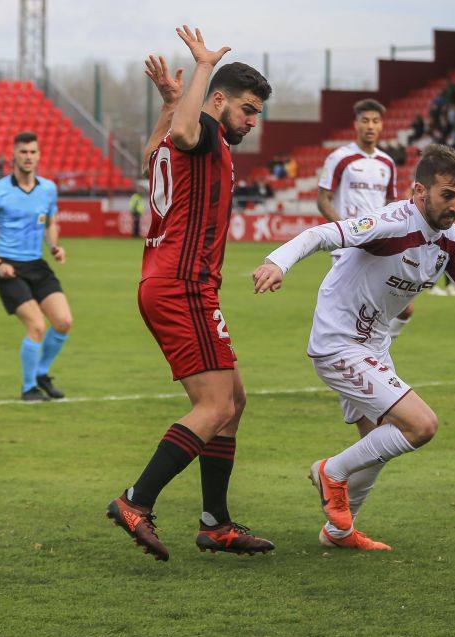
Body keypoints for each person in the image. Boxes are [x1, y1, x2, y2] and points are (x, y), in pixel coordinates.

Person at [252, 144, 455, 550]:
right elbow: (323, 233)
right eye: (447, 194)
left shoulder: (450, 240)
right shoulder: (391, 222)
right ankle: (331, 472)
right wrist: (278, 262)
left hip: (373, 345)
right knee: (421, 425)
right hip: (338, 342)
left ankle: (338, 533)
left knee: (376, 446)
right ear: (419, 191)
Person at [105, 26, 275, 562]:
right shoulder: (201, 129)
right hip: (183, 285)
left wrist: (169, 101)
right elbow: (180, 136)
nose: (252, 121)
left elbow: (155, 150)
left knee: (234, 402)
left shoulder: (194, 136)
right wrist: (200, 70)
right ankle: (136, 501)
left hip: (172, 282)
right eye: (247, 109)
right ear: (217, 101)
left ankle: (215, 522)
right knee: (215, 403)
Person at [0, 132, 72, 402]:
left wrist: (54, 245)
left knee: (63, 321)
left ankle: (41, 373)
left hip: (37, 264)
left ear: (39, 156)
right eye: (23, 152)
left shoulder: (48, 189)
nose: (28, 157)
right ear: (13, 156)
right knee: (37, 326)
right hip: (9, 266)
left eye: (32, 152)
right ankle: (29, 388)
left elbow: (51, 222)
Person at [317, 100, 415, 339]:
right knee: (353, 312)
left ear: (381, 126)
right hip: (348, 248)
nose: (370, 126)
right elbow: (323, 199)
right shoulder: (340, 157)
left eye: (375, 121)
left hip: (379, 244)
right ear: (356, 124)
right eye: (365, 120)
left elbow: (391, 206)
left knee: (405, 307)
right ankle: (351, 354)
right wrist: (346, 232)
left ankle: (382, 344)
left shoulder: (387, 163)